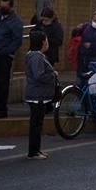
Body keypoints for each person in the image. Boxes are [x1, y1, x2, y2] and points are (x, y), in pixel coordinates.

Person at [24, 30, 58, 160]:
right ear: (43, 42)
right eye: (47, 40)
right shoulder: (36, 56)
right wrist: (52, 74)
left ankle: (36, 150)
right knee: (36, 125)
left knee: (36, 124)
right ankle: (33, 151)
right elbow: (39, 75)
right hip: (37, 95)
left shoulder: (32, 55)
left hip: (36, 94)